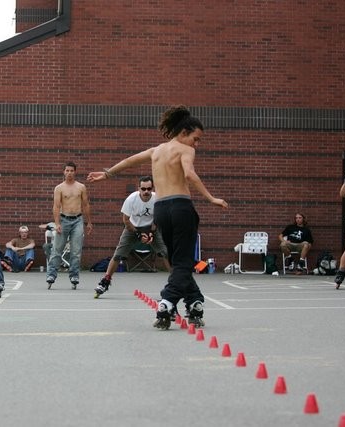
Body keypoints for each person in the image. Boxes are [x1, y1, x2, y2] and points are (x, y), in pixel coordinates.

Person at [87, 106, 228, 328]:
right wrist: (211, 198)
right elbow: (189, 174)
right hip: (181, 207)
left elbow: (129, 161)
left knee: (176, 260)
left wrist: (107, 174)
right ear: (184, 132)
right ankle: (167, 301)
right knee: (182, 261)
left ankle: (195, 301)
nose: (196, 144)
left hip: (161, 209)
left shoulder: (156, 151)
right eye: (196, 138)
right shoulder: (185, 150)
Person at [94, 176, 171, 296]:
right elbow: (125, 220)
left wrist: (151, 233)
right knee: (118, 255)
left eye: (149, 189)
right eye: (143, 189)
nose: (146, 191)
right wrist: (138, 234)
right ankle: (105, 281)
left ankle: (175, 282)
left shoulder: (157, 199)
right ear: (139, 188)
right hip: (132, 227)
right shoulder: (132, 199)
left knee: (165, 252)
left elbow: (158, 218)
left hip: (151, 227)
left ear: (152, 188)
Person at [46, 161, 93, 289]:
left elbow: (85, 204)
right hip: (63, 219)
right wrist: (57, 223)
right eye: (67, 170)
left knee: (76, 251)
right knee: (57, 249)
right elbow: (56, 206)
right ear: (64, 172)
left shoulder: (81, 187)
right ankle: (51, 274)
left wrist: (89, 222)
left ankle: (74, 275)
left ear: (75, 172)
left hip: (78, 220)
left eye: (71, 170)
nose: (69, 173)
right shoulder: (59, 188)